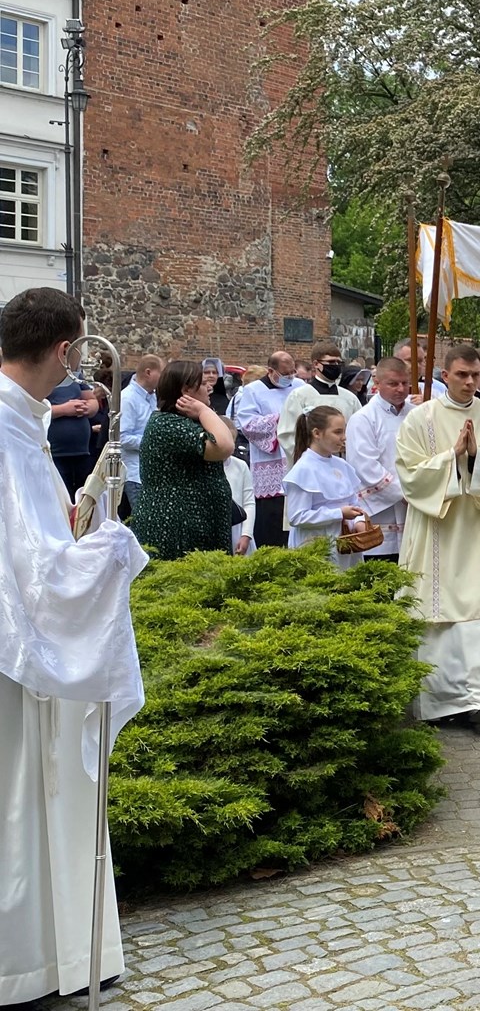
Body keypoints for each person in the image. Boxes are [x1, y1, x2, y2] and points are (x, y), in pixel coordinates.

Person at [0, 287, 148, 1006]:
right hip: (15, 659)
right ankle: (29, 965)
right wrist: (111, 551)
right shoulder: (4, 427)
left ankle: (58, 953)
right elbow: (34, 569)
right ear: (65, 351)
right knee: (25, 797)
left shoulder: (19, 422)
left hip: (17, 641)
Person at [396, 345, 480, 726]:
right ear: (444, 375)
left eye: (477, 374)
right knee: (440, 614)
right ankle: (440, 703)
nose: (471, 381)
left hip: (479, 530)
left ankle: (476, 702)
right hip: (438, 531)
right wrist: (452, 457)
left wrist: (477, 458)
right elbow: (409, 476)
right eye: (462, 374)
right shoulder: (420, 419)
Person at [129, 361, 236, 560]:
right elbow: (224, 446)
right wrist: (203, 410)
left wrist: (202, 412)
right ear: (186, 391)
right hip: (175, 526)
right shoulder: (168, 424)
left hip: (195, 524)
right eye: (203, 384)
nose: (210, 387)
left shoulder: (185, 421)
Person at [346, 357, 413, 564]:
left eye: (404, 383)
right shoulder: (364, 418)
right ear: (377, 383)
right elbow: (364, 465)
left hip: (414, 507)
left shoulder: (417, 414)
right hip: (384, 512)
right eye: (393, 383)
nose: (400, 389)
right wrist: (405, 493)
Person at [283, 405, 366, 567]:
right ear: (316, 433)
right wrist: (338, 513)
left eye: (344, 431)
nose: (344, 437)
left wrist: (359, 521)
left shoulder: (342, 465)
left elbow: (354, 503)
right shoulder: (304, 469)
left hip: (345, 545)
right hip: (315, 545)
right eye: (337, 432)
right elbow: (297, 516)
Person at [233, 351, 297, 548]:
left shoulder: (300, 387)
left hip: (296, 458)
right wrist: (281, 419)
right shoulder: (253, 391)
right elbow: (246, 423)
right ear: (271, 371)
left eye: (293, 372)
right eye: (285, 373)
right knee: (272, 525)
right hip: (270, 465)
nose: (290, 377)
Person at [278, 342, 362, 461]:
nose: (336, 365)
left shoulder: (350, 398)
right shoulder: (299, 396)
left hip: (344, 463)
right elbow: (288, 434)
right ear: (316, 364)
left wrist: (349, 445)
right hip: (312, 464)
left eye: (339, 362)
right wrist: (315, 453)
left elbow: (359, 430)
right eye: (331, 362)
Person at [44, 371, 99, 501]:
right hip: (56, 453)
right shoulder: (41, 374)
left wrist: (87, 407)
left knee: (85, 498)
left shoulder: (75, 375)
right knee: (62, 499)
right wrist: (64, 409)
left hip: (82, 451)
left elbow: (92, 400)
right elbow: (36, 409)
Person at [119, 353, 163, 514]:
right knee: (143, 520)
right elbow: (122, 438)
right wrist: (154, 442)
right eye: (161, 373)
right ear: (148, 372)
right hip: (136, 473)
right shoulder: (127, 398)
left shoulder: (153, 397)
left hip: (153, 472)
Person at [221, 418, 256, 555]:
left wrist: (246, 534)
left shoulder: (240, 466)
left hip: (238, 532)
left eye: (233, 441)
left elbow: (249, 502)